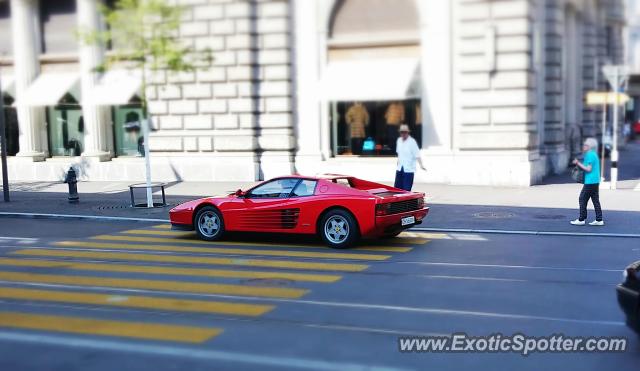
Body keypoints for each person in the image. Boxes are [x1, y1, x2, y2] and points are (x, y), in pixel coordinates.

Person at [570, 137, 604, 226]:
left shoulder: (590, 155)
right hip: (595, 180)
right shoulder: (593, 154)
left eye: (586, 145)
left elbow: (588, 169)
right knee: (595, 200)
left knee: (582, 199)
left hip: (590, 181)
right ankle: (599, 219)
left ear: (590, 146)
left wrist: (577, 163)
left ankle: (581, 219)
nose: (584, 146)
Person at [394, 124, 426, 191]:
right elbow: (399, 154)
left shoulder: (412, 141)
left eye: (405, 132)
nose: (403, 134)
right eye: (402, 132)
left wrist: (421, 165)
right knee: (397, 188)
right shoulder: (399, 140)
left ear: (407, 133)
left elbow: (417, 154)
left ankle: (406, 201)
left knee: (406, 188)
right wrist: (397, 163)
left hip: (408, 169)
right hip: (400, 168)